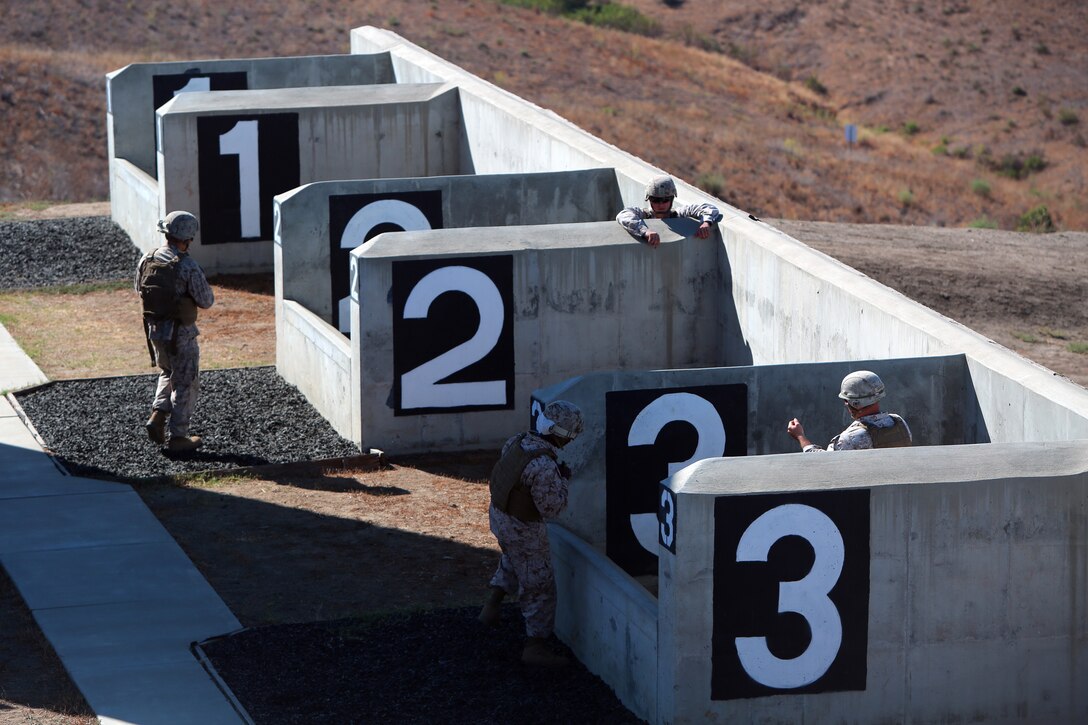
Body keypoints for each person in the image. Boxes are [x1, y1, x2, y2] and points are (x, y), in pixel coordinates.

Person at [479, 400, 585, 667]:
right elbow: (552, 508)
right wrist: (563, 480)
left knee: (513, 559)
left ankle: (490, 608)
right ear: (562, 434)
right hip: (522, 527)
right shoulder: (546, 466)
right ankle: (535, 647)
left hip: (500, 517)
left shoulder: (518, 441)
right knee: (540, 586)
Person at [135, 210, 215, 452]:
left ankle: (158, 415)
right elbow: (206, 300)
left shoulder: (146, 259)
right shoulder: (187, 265)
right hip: (181, 334)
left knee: (167, 372)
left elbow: (139, 290)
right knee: (186, 382)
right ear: (188, 237)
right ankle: (178, 437)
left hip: (155, 331)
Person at [787, 370, 913, 452]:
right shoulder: (899, 422)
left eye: (846, 401)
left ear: (854, 403)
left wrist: (800, 436)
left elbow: (822, 464)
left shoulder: (850, 438)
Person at [616, 174, 723, 248]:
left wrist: (706, 223)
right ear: (649, 199)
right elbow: (624, 215)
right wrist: (645, 231)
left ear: (672, 199)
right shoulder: (644, 215)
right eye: (656, 200)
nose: (660, 205)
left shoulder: (678, 214)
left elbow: (709, 208)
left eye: (665, 200)